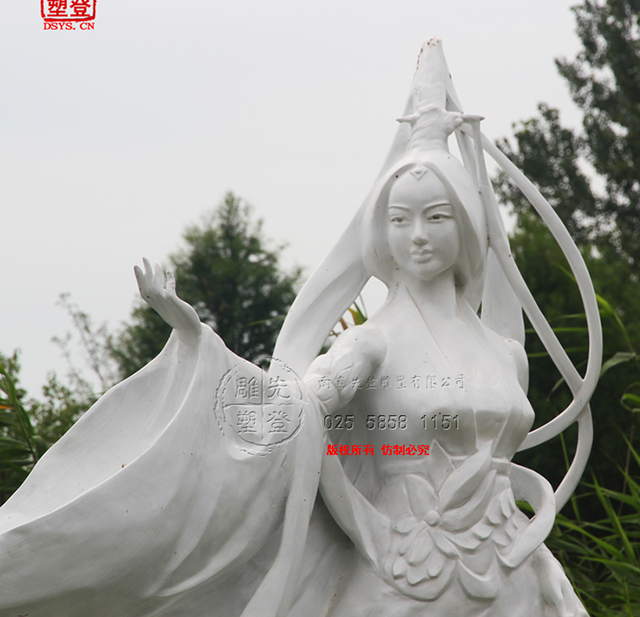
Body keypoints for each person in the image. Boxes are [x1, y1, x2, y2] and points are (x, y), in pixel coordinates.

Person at [0, 39, 598, 617]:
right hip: (410, 577)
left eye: (436, 217)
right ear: (380, 231)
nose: (417, 235)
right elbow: (291, 416)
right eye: (400, 219)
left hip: (515, 577)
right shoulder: (371, 344)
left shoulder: (504, 354)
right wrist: (198, 342)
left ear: (466, 224)